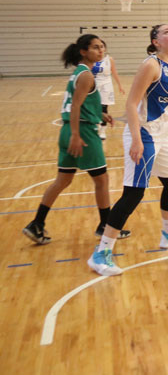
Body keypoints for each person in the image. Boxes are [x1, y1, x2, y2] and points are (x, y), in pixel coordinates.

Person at [89, 24, 168, 276]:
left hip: (162, 134)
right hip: (144, 134)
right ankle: (101, 253)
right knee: (133, 194)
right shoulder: (151, 65)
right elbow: (131, 103)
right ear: (155, 41)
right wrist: (136, 139)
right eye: (166, 32)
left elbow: (166, 106)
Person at [22, 35, 122, 245]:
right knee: (102, 180)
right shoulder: (86, 75)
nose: (101, 51)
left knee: (63, 180)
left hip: (68, 129)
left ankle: (37, 224)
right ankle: (105, 226)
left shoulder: (79, 73)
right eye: (95, 47)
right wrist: (77, 135)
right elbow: (75, 106)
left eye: (102, 47)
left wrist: (100, 114)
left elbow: (80, 103)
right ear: (83, 51)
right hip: (82, 132)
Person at [91, 43, 125, 140]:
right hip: (93, 85)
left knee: (103, 108)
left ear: (105, 48)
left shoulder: (109, 59)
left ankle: (102, 131)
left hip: (106, 86)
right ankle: (94, 128)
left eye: (102, 47)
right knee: (93, 108)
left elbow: (114, 72)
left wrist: (120, 85)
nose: (100, 49)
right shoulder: (91, 59)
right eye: (96, 47)